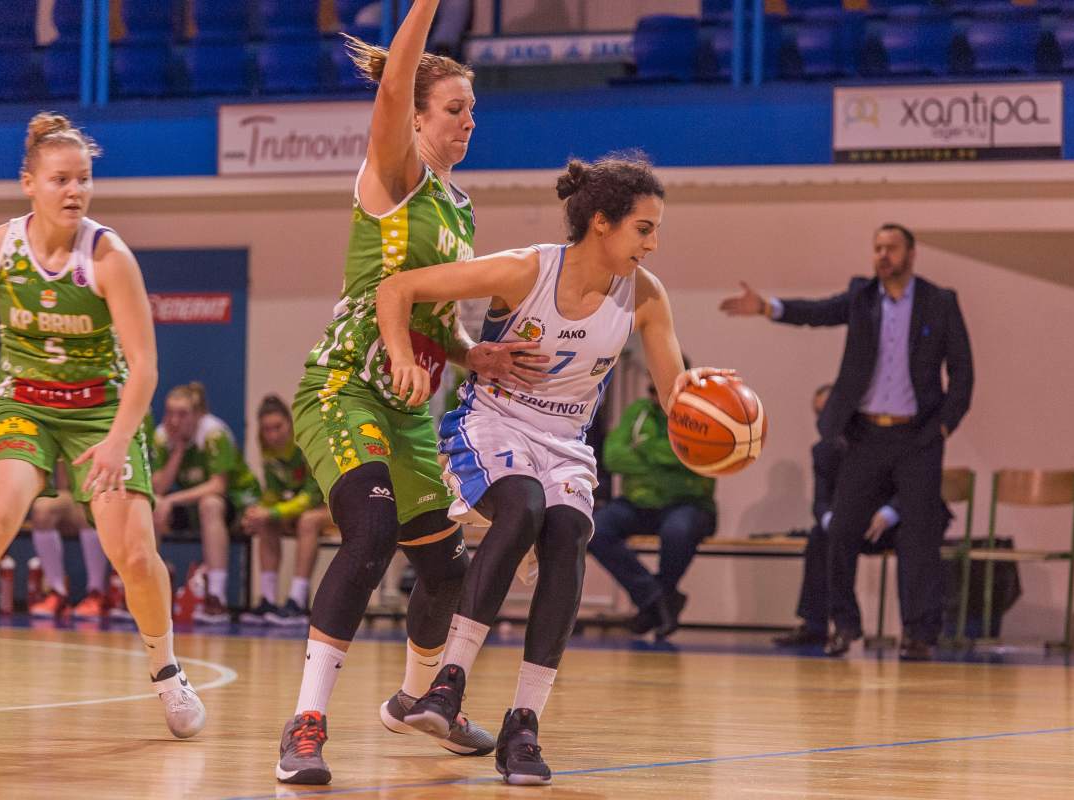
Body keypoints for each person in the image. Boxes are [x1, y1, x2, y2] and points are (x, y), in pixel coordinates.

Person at [376, 152, 733, 784]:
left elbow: (674, 395)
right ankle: (447, 683)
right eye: (643, 229)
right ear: (601, 222)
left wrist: (709, 402)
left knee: (569, 535)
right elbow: (397, 288)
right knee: (523, 507)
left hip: (565, 442)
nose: (653, 243)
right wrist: (412, 357)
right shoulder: (526, 269)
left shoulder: (647, 296)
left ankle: (523, 725)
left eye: (655, 230)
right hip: (493, 421)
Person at [275, 0, 542, 785]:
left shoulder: (457, 207)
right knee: (371, 531)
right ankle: (306, 722)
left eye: (472, 110)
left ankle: (419, 700)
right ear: (418, 117)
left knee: (447, 569)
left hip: (408, 409)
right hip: (344, 387)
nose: (469, 121)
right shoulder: (394, 176)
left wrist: (472, 353)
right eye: (455, 108)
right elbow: (395, 79)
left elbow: (438, 317)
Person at [0, 112, 205, 737]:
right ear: (29, 184)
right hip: (24, 404)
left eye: (83, 179)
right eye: (60, 179)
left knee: (135, 555)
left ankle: (168, 672)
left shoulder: (109, 256)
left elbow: (145, 366)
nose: (74, 191)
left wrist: (117, 440)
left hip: (101, 408)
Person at [720, 222, 973, 661]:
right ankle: (845, 625)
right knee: (839, 529)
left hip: (918, 436)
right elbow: (818, 312)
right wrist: (767, 307)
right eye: (877, 248)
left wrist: (944, 426)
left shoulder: (940, 301)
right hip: (866, 433)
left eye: (891, 248)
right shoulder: (861, 296)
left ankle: (918, 634)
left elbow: (963, 371)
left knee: (919, 537)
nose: (883, 255)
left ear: (911, 254)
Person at [587, 361, 717, 640]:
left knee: (677, 531)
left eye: (660, 385)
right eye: (651, 387)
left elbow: (694, 459)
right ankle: (657, 598)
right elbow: (612, 457)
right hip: (638, 502)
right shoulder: (638, 412)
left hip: (688, 502)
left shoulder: (705, 414)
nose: (654, 393)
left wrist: (646, 449)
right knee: (594, 529)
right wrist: (670, 457)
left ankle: (655, 604)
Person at [773, 384, 901, 647]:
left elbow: (908, 487)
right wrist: (832, 521)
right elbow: (820, 502)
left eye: (827, 410)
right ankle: (822, 624)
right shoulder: (824, 451)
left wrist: (888, 513)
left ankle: (917, 631)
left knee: (916, 537)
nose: (823, 418)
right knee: (821, 536)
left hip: (891, 522)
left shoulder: (881, 441)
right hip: (851, 525)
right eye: (818, 413)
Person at [152, 382, 261, 623]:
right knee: (153, 504)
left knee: (210, 504)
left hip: (236, 502)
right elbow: (158, 487)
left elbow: (217, 486)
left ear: (198, 415)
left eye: (182, 414)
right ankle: (153, 586)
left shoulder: (214, 434)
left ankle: (216, 597)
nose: (174, 420)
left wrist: (171, 499)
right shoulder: (162, 436)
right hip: (193, 503)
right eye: (170, 413)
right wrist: (178, 451)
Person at [239, 394, 329, 626]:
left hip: (331, 506)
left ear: (290, 423)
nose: (273, 435)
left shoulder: (307, 443)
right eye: (267, 429)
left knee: (308, 520)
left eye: (278, 427)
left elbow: (311, 497)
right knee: (265, 522)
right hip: (298, 508)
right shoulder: (268, 449)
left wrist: (272, 511)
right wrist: (258, 512)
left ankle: (297, 603)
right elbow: (274, 492)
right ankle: (268, 600)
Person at [26, 461, 113, 620]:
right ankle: (57, 592)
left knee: (89, 507)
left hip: (111, 491)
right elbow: (63, 485)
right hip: (77, 493)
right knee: (43, 509)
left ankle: (97, 593)